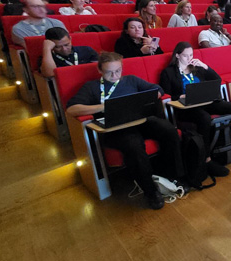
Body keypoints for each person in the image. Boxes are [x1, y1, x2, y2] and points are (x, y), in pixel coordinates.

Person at [66, 52, 184, 210]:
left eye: (118, 70)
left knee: (168, 130)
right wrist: (103, 107)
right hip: (115, 129)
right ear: (100, 70)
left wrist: (154, 94)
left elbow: (157, 89)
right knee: (134, 144)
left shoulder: (131, 80)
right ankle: (151, 191)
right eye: (109, 72)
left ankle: (173, 176)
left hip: (139, 120)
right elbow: (72, 109)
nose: (115, 75)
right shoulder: (92, 87)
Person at [159, 42, 231, 177]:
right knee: (204, 119)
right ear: (177, 55)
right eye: (185, 56)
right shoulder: (168, 72)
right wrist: (181, 95)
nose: (189, 58)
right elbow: (168, 94)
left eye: (191, 55)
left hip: (204, 101)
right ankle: (207, 159)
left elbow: (217, 79)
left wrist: (204, 66)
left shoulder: (196, 68)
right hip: (185, 107)